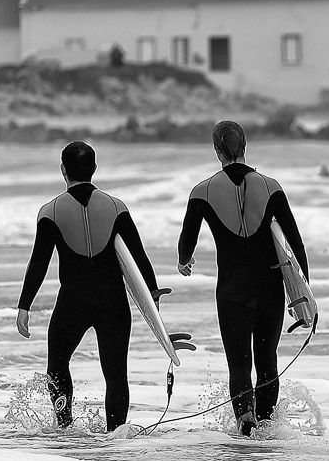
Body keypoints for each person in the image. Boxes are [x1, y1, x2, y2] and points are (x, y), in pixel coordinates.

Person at [16, 141, 165, 432]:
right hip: (113, 303)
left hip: (72, 302)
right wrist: (153, 298)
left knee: (56, 368)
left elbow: (39, 263)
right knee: (115, 374)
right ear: (94, 169)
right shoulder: (116, 207)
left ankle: (64, 427)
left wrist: (25, 306)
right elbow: (138, 256)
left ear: (63, 169)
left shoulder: (50, 212)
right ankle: (117, 434)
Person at [177, 121, 309, 437]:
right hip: (270, 289)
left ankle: (245, 421)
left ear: (217, 151)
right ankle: (265, 427)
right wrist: (303, 294)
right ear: (244, 146)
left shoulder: (202, 191)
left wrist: (185, 262)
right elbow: (295, 242)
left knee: (239, 365)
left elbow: (186, 242)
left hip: (232, 290)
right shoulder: (271, 186)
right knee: (267, 361)